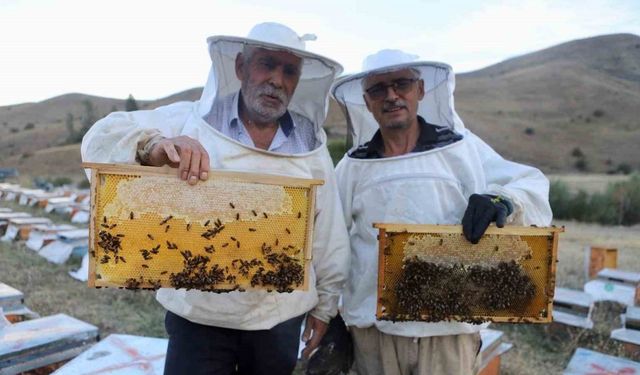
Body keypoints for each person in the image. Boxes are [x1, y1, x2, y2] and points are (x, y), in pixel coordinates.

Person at [81, 22, 349, 375]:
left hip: (278, 321)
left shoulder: (311, 148)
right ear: (240, 67)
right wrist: (154, 145)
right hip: (198, 319)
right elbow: (100, 138)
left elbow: (328, 232)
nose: (277, 80)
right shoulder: (189, 121)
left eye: (289, 71)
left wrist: (323, 308)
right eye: (266, 64)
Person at [332, 49, 552, 375]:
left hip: (450, 330)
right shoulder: (352, 166)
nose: (391, 96)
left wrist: (501, 200)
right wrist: (332, 315)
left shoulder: (461, 148)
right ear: (366, 100)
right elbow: (333, 242)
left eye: (401, 84)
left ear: (420, 90)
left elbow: (530, 184)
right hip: (374, 331)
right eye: (378, 89)